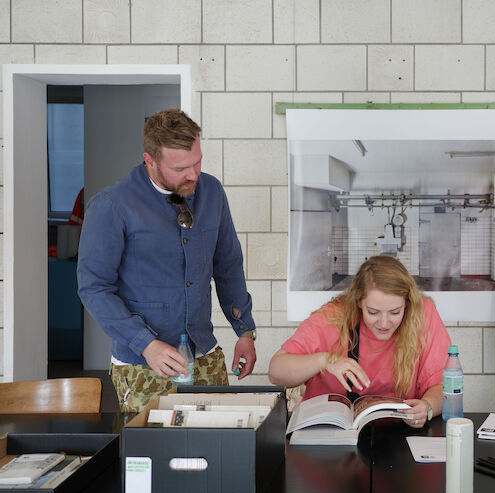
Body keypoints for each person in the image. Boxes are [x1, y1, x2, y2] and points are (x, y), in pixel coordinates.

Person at [77, 108, 257, 413]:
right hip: (143, 363)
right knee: (156, 456)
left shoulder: (211, 191)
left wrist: (245, 331)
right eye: (180, 168)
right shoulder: (111, 206)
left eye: (197, 162)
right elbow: (94, 288)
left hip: (205, 354)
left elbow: (227, 265)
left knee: (219, 450)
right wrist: (145, 343)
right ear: (150, 160)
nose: (194, 175)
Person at [268, 255, 451, 427]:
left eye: (395, 312)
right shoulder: (332, 317)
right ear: (358, 301)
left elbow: (444, 385)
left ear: (407, 303)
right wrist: (325, 360)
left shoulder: (422, 314)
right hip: (329, 433)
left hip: (398, 434)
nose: (384, 323)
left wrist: (427, 407)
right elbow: (276, 372)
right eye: (373, 312)